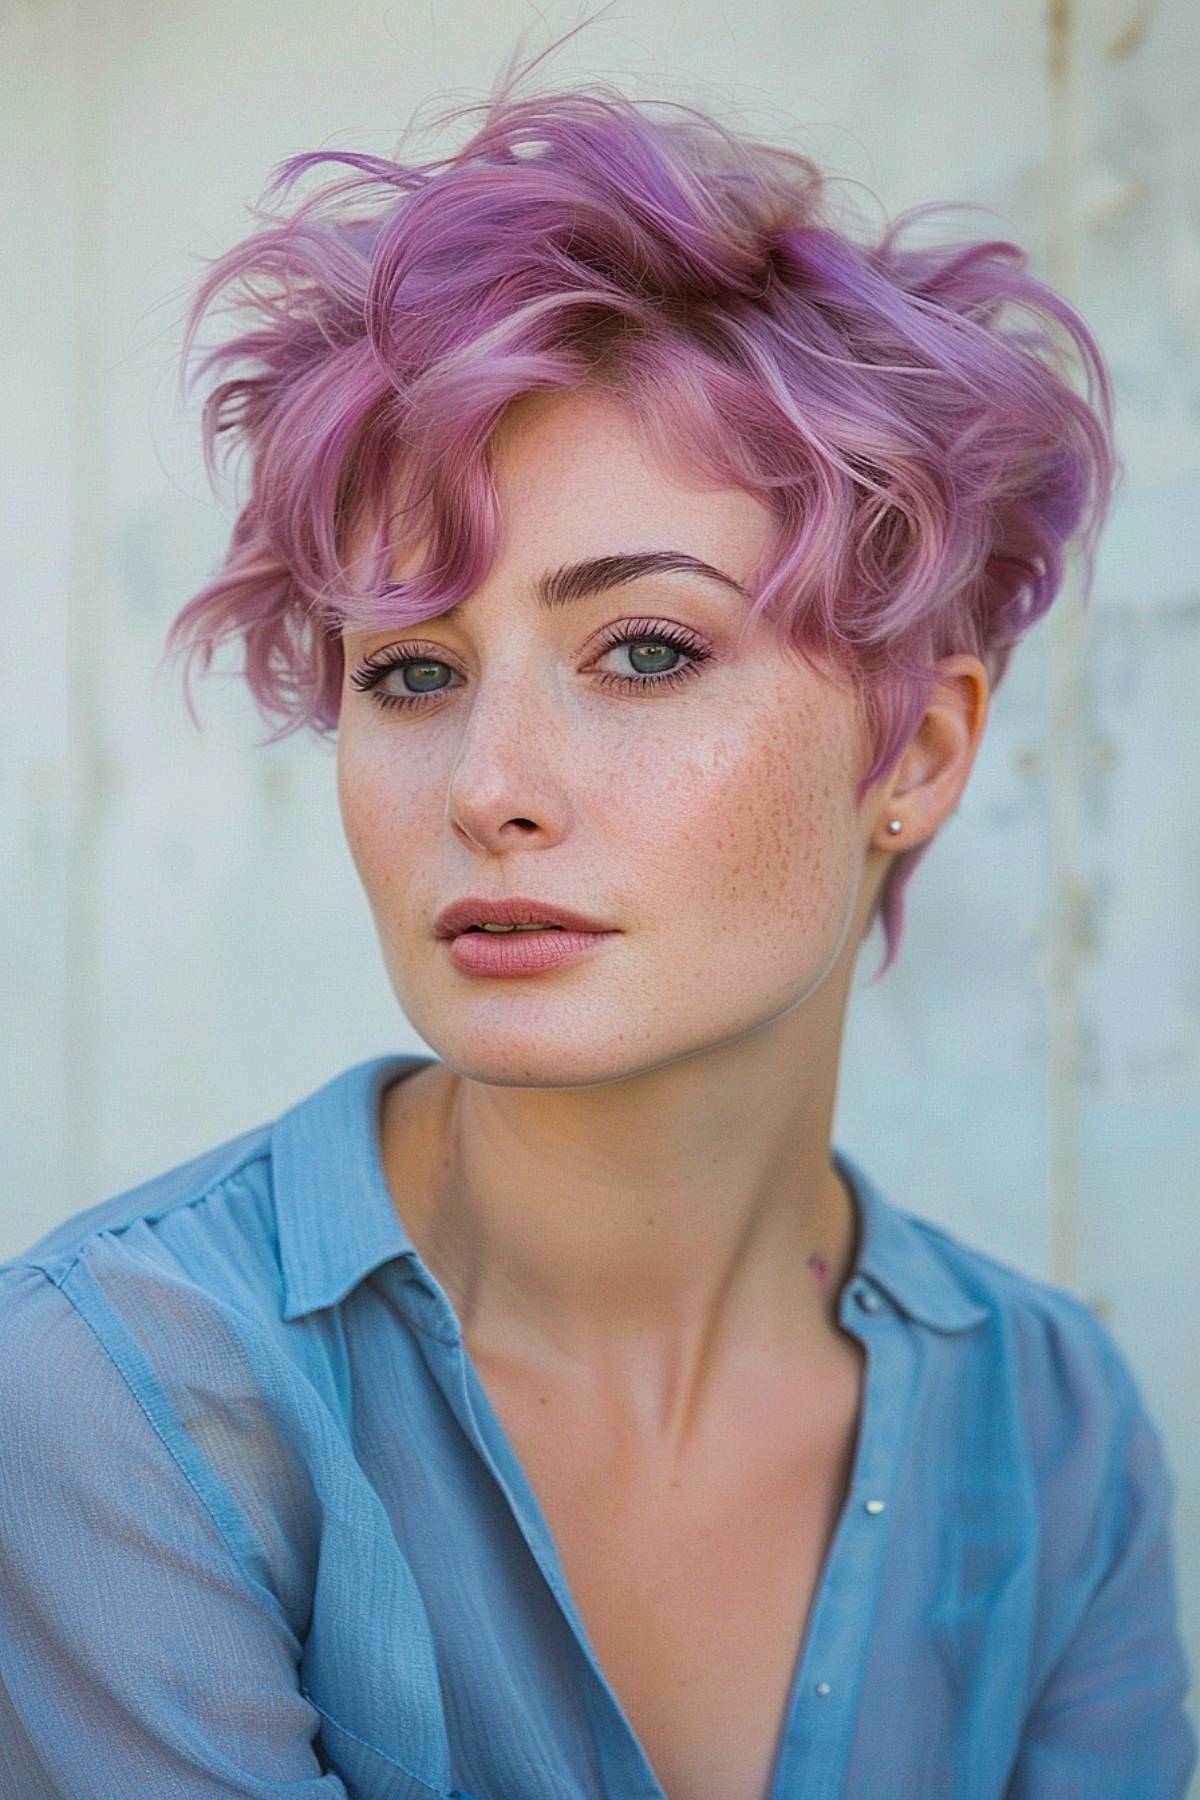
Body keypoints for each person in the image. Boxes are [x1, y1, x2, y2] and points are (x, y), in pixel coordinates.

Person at [1, 40, 1194, 1800]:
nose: (488, 784)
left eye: (645, 649)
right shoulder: (118, 1395)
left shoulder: (1053, 1426)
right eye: (408, 672)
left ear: (920, 751)